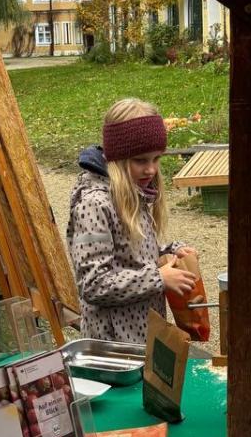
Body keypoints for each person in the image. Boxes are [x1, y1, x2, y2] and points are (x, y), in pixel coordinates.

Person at [67, 98, 196, 344]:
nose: (151, 170)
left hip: (142, 338)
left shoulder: (134, 193)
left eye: (157, 159)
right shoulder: (94, 205)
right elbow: (94, 284)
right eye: (141, 160)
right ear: (117, 158)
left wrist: (171, 252)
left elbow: (130, 256)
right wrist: (159, 278)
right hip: (112, 347)